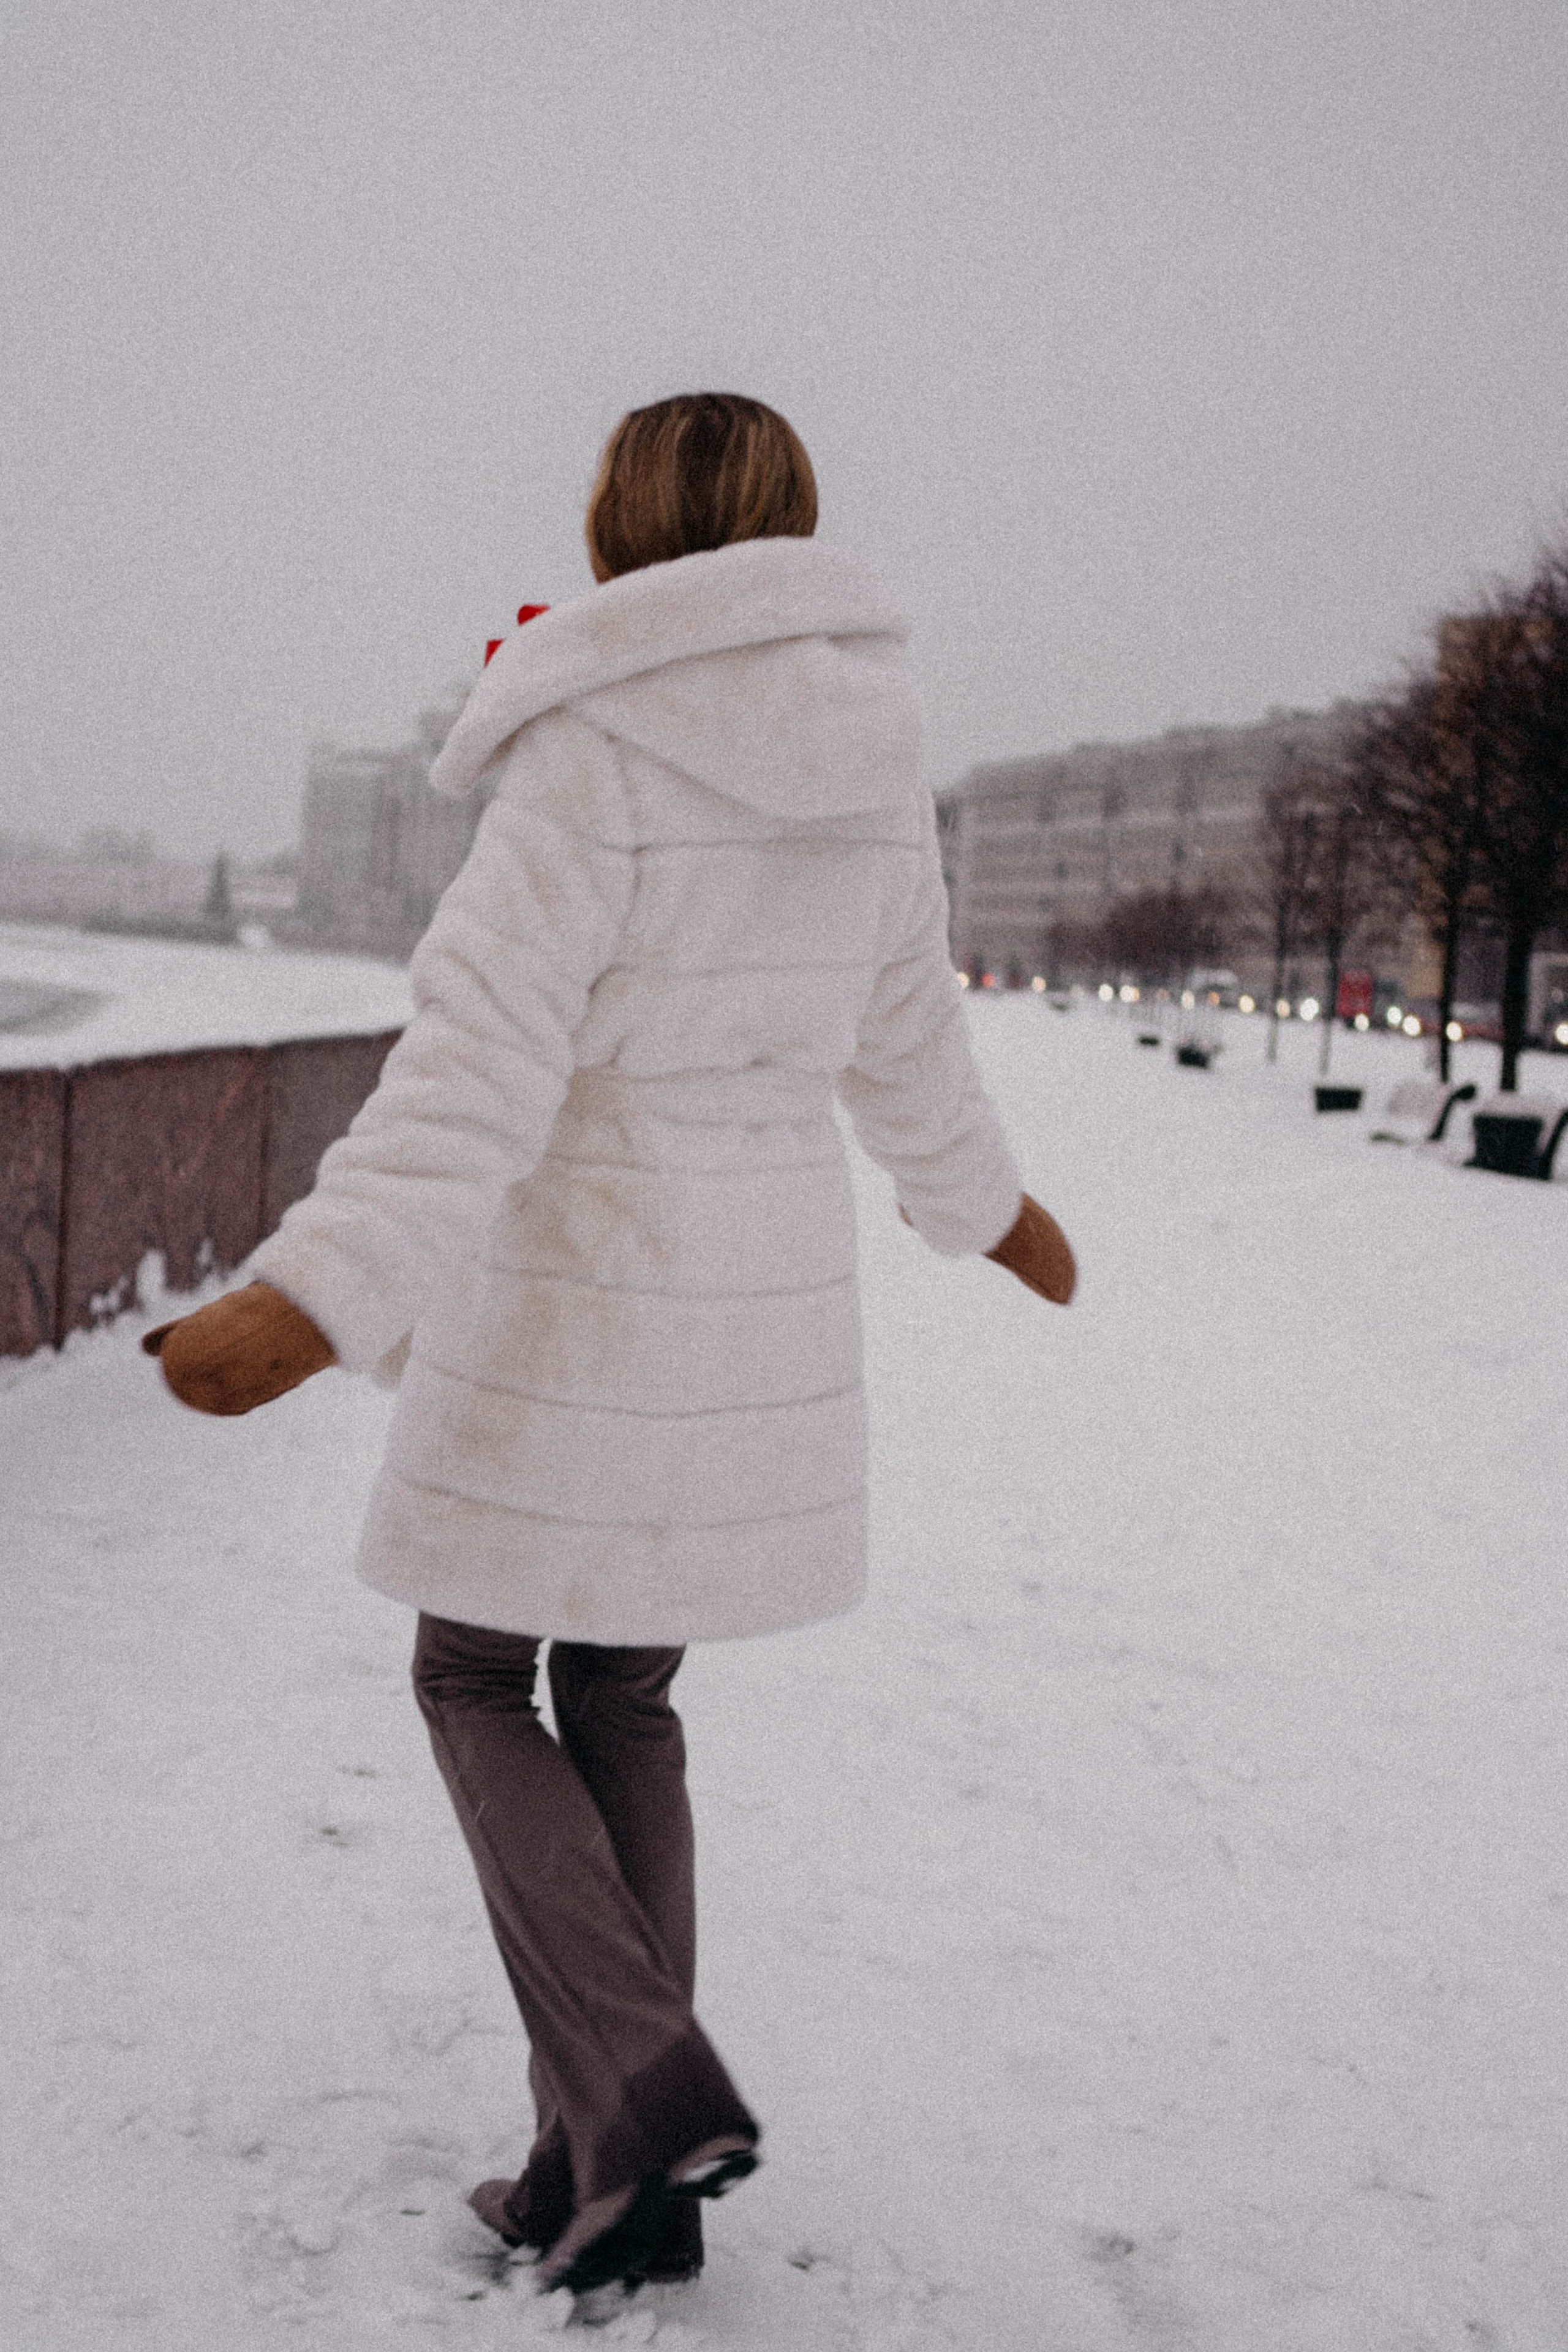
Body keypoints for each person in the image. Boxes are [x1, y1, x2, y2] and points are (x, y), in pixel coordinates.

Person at [145, 391, 1076, 2303]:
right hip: (748, 1303)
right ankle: (617, 2178)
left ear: (617, 530)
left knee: (474, 1672)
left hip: (581, 1289)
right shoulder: (874, 763)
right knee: (627, 1695)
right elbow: (910, 1042)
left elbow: (474, 1068)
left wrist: (313, 1294)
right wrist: (987, 1208)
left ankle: (640, 2080)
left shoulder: (592, 748)